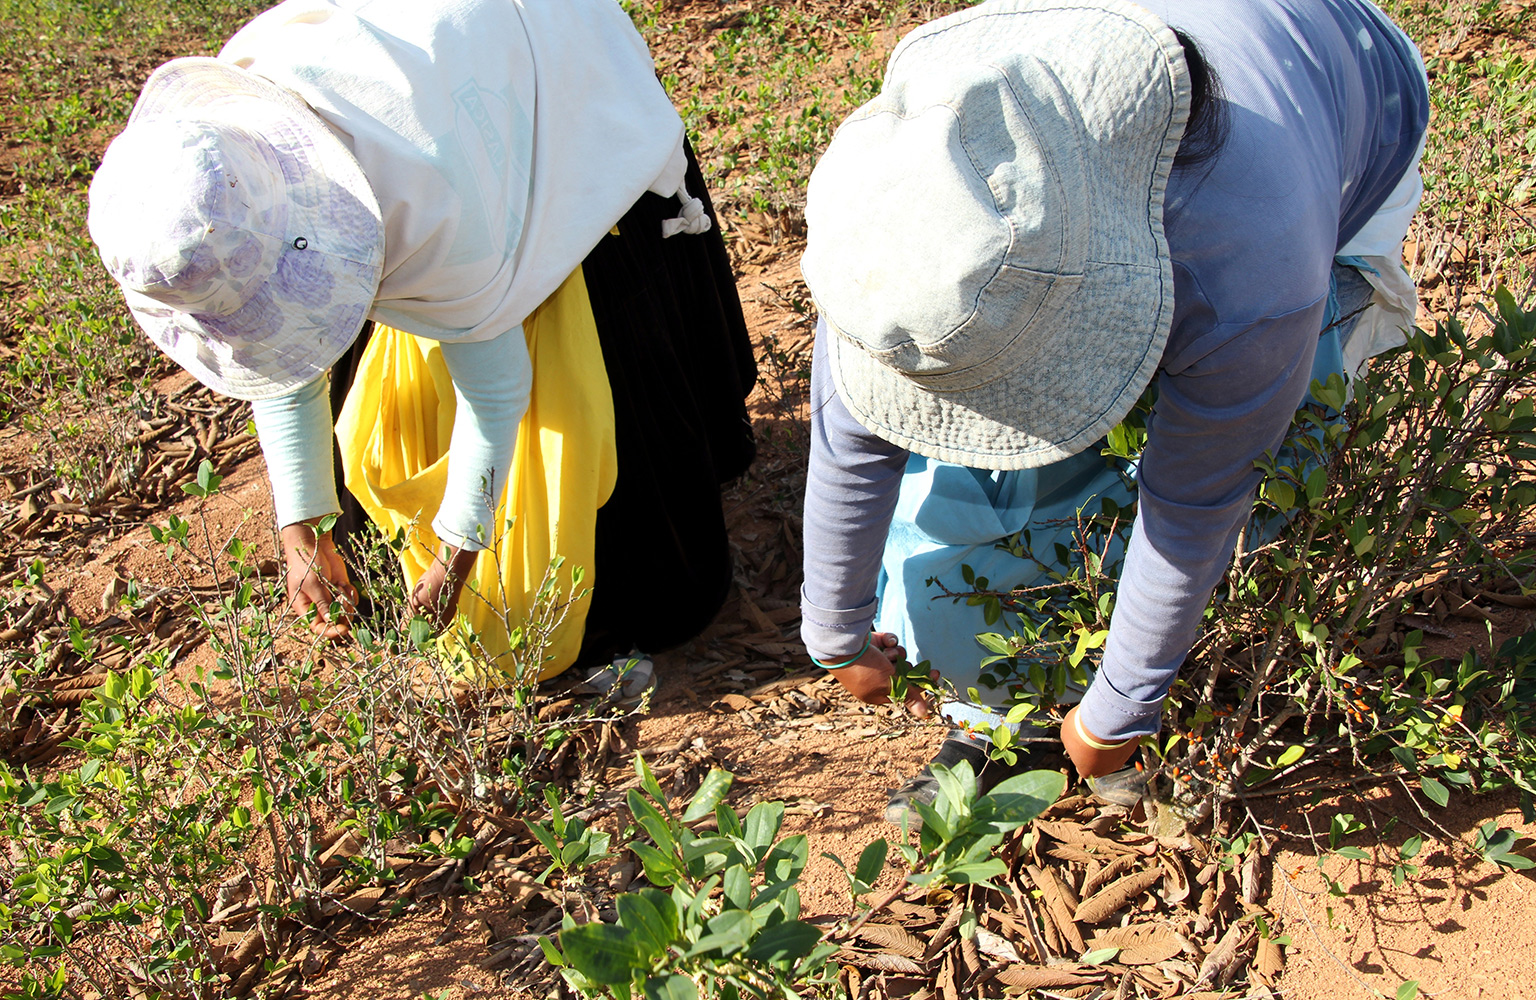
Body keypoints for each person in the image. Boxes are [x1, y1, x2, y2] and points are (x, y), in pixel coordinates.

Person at [796, 0, 1429, 819]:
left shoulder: (1252, 269)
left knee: (1278, 441)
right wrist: (835, 634)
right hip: (1096, 64)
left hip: (1340, 84)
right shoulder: (904, 201)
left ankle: (1175, 677)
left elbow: (1196, 502)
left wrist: (1120, 706)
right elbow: (855, 436)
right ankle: (1009, 708)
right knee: (986, 438)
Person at [86, 0, 757, 680]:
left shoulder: (435, 199)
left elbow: (497, 395)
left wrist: (458, 552)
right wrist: (303, 529)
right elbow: (278, 356)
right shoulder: (210, 165)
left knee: (593, 459)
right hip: (431, 85)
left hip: (539, 59)